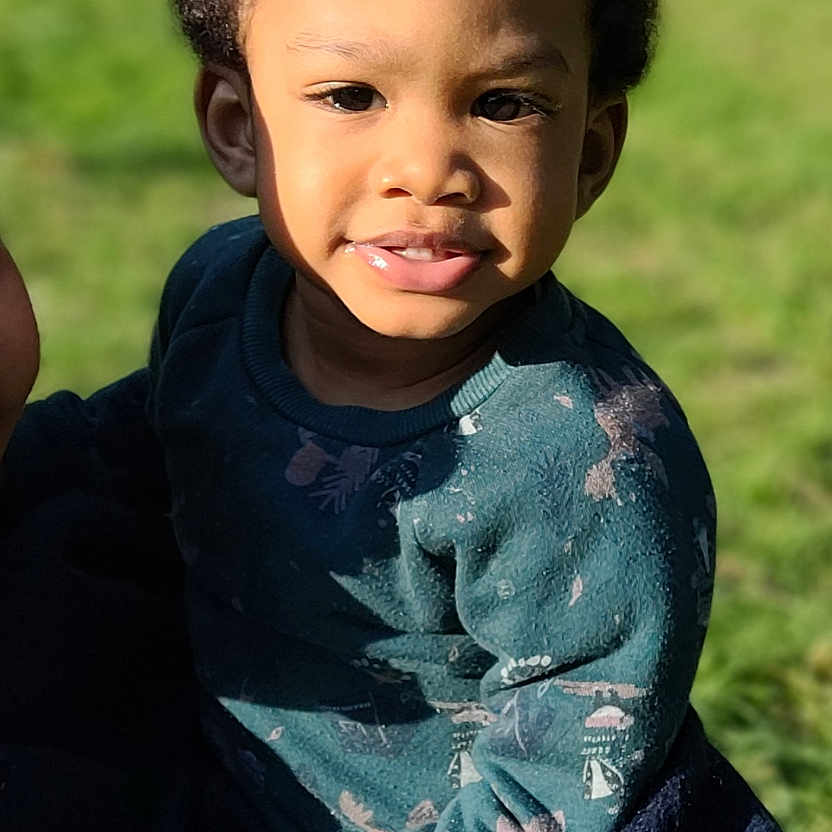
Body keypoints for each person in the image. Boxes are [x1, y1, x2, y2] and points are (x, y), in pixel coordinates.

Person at [0, 0, 783, 829]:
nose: (428, 169)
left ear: (588, 156)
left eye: (503, 103)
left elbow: (558, 789)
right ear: (239, 129)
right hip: (235, 773)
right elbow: (126, 454)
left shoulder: (585, 461)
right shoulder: (221, 295)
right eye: (350, 96)